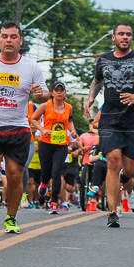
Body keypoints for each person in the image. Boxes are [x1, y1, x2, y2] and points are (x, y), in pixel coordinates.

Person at [0, 22, 48, 234]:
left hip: (19, 128)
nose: (9, 40)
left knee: (14, 175)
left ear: (20, 41)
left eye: (13, 37)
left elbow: (45, 95)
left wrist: (40, 94)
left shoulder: (31, 67)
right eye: (5, 36)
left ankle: (11, 218)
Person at [84, 23, 134, 229]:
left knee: (130, 170)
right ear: (113, 38)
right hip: (109, 117)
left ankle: (129, 188)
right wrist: (91, 98)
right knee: (112, 162)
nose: (125, 37)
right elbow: (97, 81)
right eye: (121, 34)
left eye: (128, 34)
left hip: (133, 119)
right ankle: (113, 212)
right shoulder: (104, 59)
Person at [31, 81, 76, 213]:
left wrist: (72, 131)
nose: (59, 92)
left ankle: (54, 203)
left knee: (57, 173)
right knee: (45, 172)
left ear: (65, 93)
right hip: (46, 143)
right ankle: (44, 184)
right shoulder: (45, 106)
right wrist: (42, 129)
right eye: (57, 90)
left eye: (62, 90)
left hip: (61, 145)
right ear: (52, 93)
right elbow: (34, 119)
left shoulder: (69, 108)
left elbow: (70, 121)